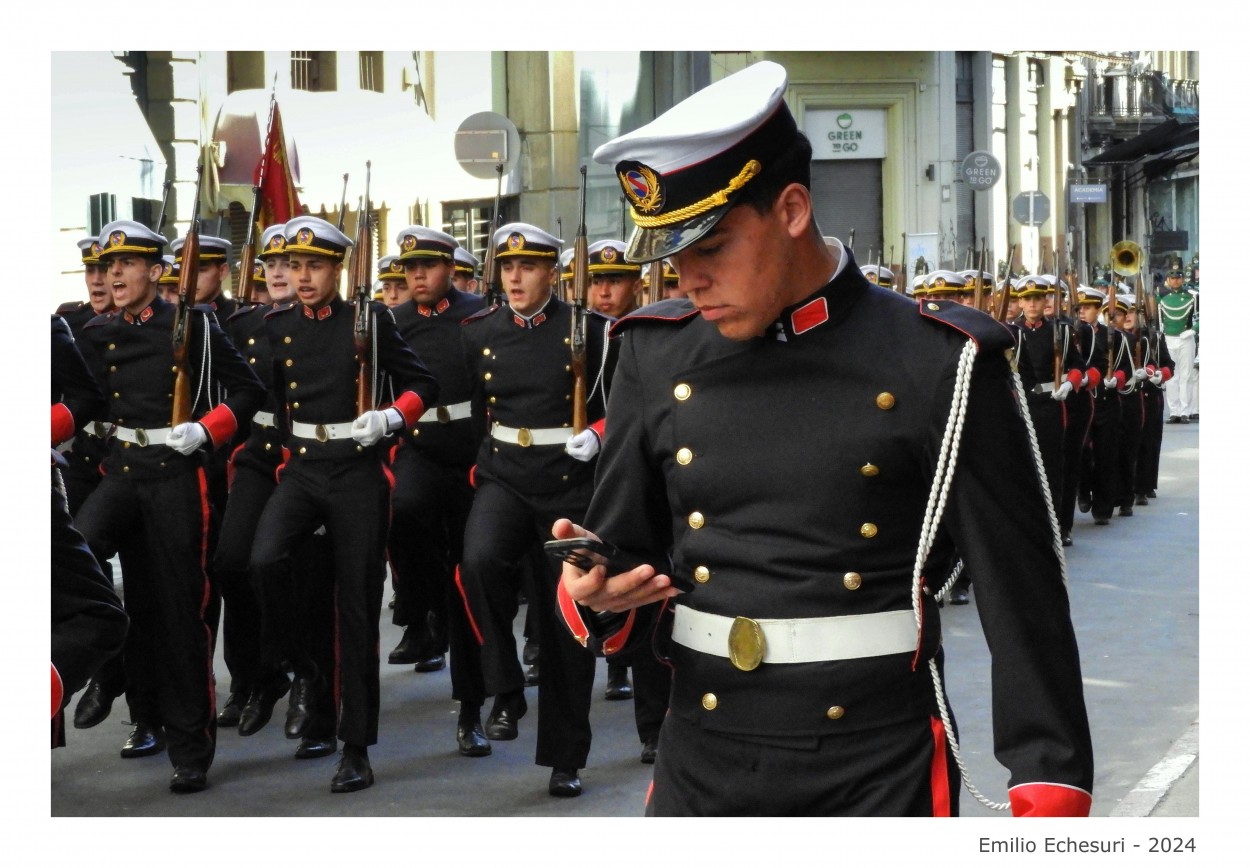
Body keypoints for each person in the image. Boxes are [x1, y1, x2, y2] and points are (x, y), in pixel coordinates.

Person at [552, 60, 1093, 817]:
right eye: (674, 257)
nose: (688, 279)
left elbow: (1021, 589)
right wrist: (597, 590)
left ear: (793, 209)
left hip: (873, 761)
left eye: (710, 249)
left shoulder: (940, 359)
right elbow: (626, 549)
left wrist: (1048, 776)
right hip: (701, 754)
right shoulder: (656, 350)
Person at [248, 215, 440, 793]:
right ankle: (300, 671)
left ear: (337, 269)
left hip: (358, 472)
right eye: (293, 266)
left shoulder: (373, 317)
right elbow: (271, 403)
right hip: (304, 468)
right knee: (263, 562)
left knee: (357, 608)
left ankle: (354, 746)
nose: (301, 277)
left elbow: (422, 386)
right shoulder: (278, 324)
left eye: (314, 266)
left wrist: (390, 417)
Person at [74, 219, 266, 793]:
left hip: (175, 477)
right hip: (120, 473)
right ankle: (109, 679)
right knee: (75, 571)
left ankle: (189, 746)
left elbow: (248, 391)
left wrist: (207, 431)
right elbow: (78, 398)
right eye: (109, 265)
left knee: (180, 615)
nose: (114, 274)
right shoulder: (95, 330)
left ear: (157, 272)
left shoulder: (196, 325)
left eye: (126, 264)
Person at [457, 221, 616, 797]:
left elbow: (624, 404)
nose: (515, 277)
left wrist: (597, 434)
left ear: (554, 271)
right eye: (506, 267)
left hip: (568, 483)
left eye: (528, 267)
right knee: (477, 562)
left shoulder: (593, 331)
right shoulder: (479, 333)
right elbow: (478, 410)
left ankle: (565, 758)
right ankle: (503, 684)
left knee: (566, 622)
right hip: (504, 473)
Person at [384, 224, 491, 756]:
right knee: (402, 509)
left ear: (450, 267)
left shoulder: (478, 314)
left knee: (467, 578)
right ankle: (421, 608)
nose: (417, 276)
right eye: (409, 268)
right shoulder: (393, 322)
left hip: (471, 456)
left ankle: (471, 706)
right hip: (420, 448)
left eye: (427, 266)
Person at [1159, 266, 1197, 423]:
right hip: (1168, 338)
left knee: (1186, 375)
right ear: (1168, 280)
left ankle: (1185, 412)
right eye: (1172, 278)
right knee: (1170, 377)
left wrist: (1193, 330)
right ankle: (1174, 411)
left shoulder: (1192, 297)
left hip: (1185, 338)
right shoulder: (1162, 297)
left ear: (1182, 279)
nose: (1175, 280)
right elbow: (1157, 318)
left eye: (1178, 277)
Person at [587, 238, 643, 320]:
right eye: (597, 282)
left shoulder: (648, 329)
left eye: (614, 282)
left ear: (637, 286)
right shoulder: (584, 329)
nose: (604, 293)